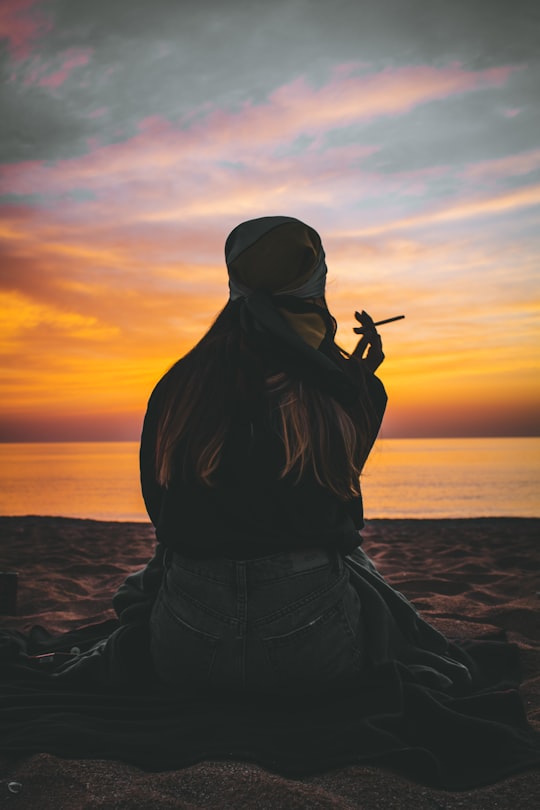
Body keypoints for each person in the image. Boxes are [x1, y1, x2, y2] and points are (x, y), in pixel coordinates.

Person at [139, 215, 471, 694]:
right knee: (356, 564)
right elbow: (342, 494)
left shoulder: (179, 383)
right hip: (312, 652)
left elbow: (159, 509)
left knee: (151, 575)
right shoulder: (340, 390)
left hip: (186, 651)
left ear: (236, 277)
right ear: (316, 279)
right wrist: (361, 386)